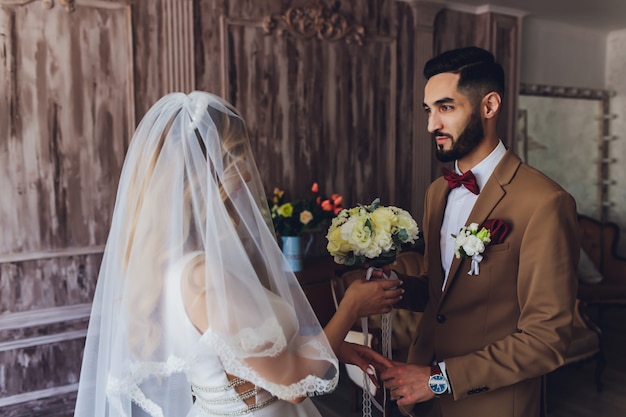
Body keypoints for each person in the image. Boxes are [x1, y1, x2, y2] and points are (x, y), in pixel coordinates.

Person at [73, 91, 402, 417]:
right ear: (212, 173)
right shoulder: (205, 278)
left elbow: (256, 358)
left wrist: (332, 346)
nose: (248, 175)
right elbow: (292, 386)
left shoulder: (172, 268)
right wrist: (350, 308)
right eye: (239, 158)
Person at [376, 46, 580, 417]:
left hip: (491, 404)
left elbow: (546, 340)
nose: (431, 125)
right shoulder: (437, 192)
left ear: (489, 106)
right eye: (429, 110)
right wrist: (394, 285)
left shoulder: (545, 202)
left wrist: (439, 379)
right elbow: (445, 296)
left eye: (446, 107)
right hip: (420, 398)